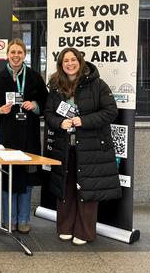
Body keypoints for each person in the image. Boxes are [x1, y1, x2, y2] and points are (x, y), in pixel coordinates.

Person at [43, 47, 121, 246]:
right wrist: (60, 123)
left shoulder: (97, 85)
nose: (70, 64)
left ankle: (84, 231)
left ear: (80, 61)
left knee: (87, 188)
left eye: (73, 59)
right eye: (65, 61)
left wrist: (83, 121)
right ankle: (65, 227)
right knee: (65, 187)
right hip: (65, 147)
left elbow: (111, 111)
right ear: (61, 65)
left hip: (91, 147)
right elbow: (49, 113)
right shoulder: (55, 86)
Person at [0, 39, 48, 233]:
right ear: (7, 55)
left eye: (20, 52)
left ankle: (24, 219)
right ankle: (9, 219)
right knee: (9, 178)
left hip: (29, 135)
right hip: (7, 137)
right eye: (13, 52)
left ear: (24, 55)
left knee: (27, 179)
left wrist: (35, 106)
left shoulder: (35, 78)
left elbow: (46, 102)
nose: (16, 55)